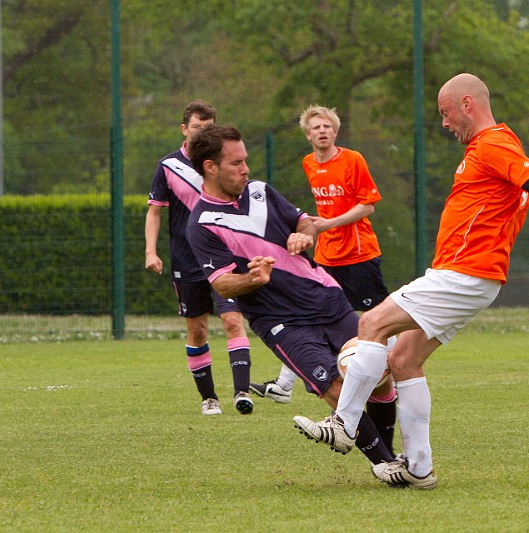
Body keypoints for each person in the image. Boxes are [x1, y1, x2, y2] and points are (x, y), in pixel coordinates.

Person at [292, 73, 529, 489]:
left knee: (371, 325)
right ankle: (419, 468)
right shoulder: (504, 145)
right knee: (404, 361)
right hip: (470, 277)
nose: (444, 123)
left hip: (464, 273)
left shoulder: (494, 144)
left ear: (467, 104)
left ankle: (344, 423)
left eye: (445, 113)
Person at [184, 124, 401, 478]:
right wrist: (252, 278)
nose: (245, 169)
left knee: (379, 375)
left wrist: (303, 236)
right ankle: (384, 464)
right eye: (236, 163)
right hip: (282, 323)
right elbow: (221, 284)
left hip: (327, 298)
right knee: (335, 386)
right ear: (210, 167)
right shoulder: (202, 223)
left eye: (246, 161)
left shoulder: (260, 192)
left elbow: (304, 222)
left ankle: (392, 455)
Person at [250, 105, 390, 423]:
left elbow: (367, 206)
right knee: (310, 316)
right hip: (327, 256)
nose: (322, 131)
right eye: (316, 127)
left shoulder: (352, 159)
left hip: (359, 255)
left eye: (327, 126)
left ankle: (394, 370)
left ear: (335, 131)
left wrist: (328, 223)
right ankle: (284, 385)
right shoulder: (309, 163)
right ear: (308, 134)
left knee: (379, 319)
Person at [145, 100, 254, 417]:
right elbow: (154, 212)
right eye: (197, 129)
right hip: (186, 259)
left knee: (233, 321)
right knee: (198, 331)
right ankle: (209, 398)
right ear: (185, 130)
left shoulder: (224, 165)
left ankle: (242, 393)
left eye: (209, 130)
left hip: (223, 256)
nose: (202, 135)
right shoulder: (168, 166)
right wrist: (151, 252)